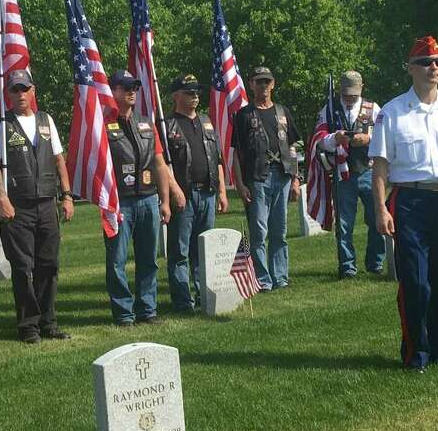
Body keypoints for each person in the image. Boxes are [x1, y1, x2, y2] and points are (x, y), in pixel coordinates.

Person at [370, 36, 438, 372]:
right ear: (410, 68)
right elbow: (380, 166)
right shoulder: (392, 112)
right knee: (415, 281)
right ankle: (415, 352)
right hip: (409, 201)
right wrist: (380, 208)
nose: (434, 67)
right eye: (426, 62)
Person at [0, 69, 74, 343]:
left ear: (33, 91)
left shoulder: (46, 121)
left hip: (47, 204)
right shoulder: (0, 124)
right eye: (15, 90)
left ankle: (49, 322)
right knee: (23, 268)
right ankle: (28, 326)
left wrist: (67, 196)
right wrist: (1, 197)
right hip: (17, 207)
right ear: (8, 94)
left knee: (49, 265)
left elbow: (59, 160)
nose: (20, 94)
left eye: (24, 88)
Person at [104, 70, 172, 326]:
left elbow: (158, 163)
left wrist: (164, 201)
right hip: (119, 201)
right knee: (117, 260)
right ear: (113, 91)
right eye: (125, 87)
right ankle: (123, 313)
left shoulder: (146, 123)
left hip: (147, 199)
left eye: (134, 87)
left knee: (148, 259)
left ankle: (147, 309)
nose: (131, 91)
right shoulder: (102, 124)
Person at [163, 73, 228, 313]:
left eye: (196, 93)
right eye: (189, 93)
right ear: (176, 96)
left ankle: (204, 295)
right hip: (184, 196)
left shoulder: (206, 121)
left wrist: (222, 191)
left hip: (208, 193)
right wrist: (174, 191)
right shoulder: (167, 125)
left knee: (204, 250)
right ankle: (183, 301)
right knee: (180, 251)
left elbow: (217, 159)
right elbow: (163, 164)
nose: (195, 97)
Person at [231, 66, 300, 290]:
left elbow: (293, 146)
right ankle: (262, 278)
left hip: (282, 175)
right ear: (251, 84)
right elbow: (236, 153)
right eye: (259, 81)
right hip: (257, 177)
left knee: (279, 230)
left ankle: (280, 276)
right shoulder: (243, 115)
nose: (263, 86)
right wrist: (240, 184)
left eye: (267, 81)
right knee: (259, 231)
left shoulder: (282, 112)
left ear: (273, 84)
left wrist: (296, 178)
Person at [317, 70, 385, 278]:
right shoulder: (329, 109)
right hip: (342, 173)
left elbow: (385, 135)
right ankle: (347, 267)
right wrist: (334, 139)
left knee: (376, 219)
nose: (349, 99)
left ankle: (376, 262)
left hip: (369, 171)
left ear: (362, 89)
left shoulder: (373, 109)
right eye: (346, 95)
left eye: (353, 95)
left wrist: (368, 138)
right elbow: (319, 138)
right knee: (344, 224)